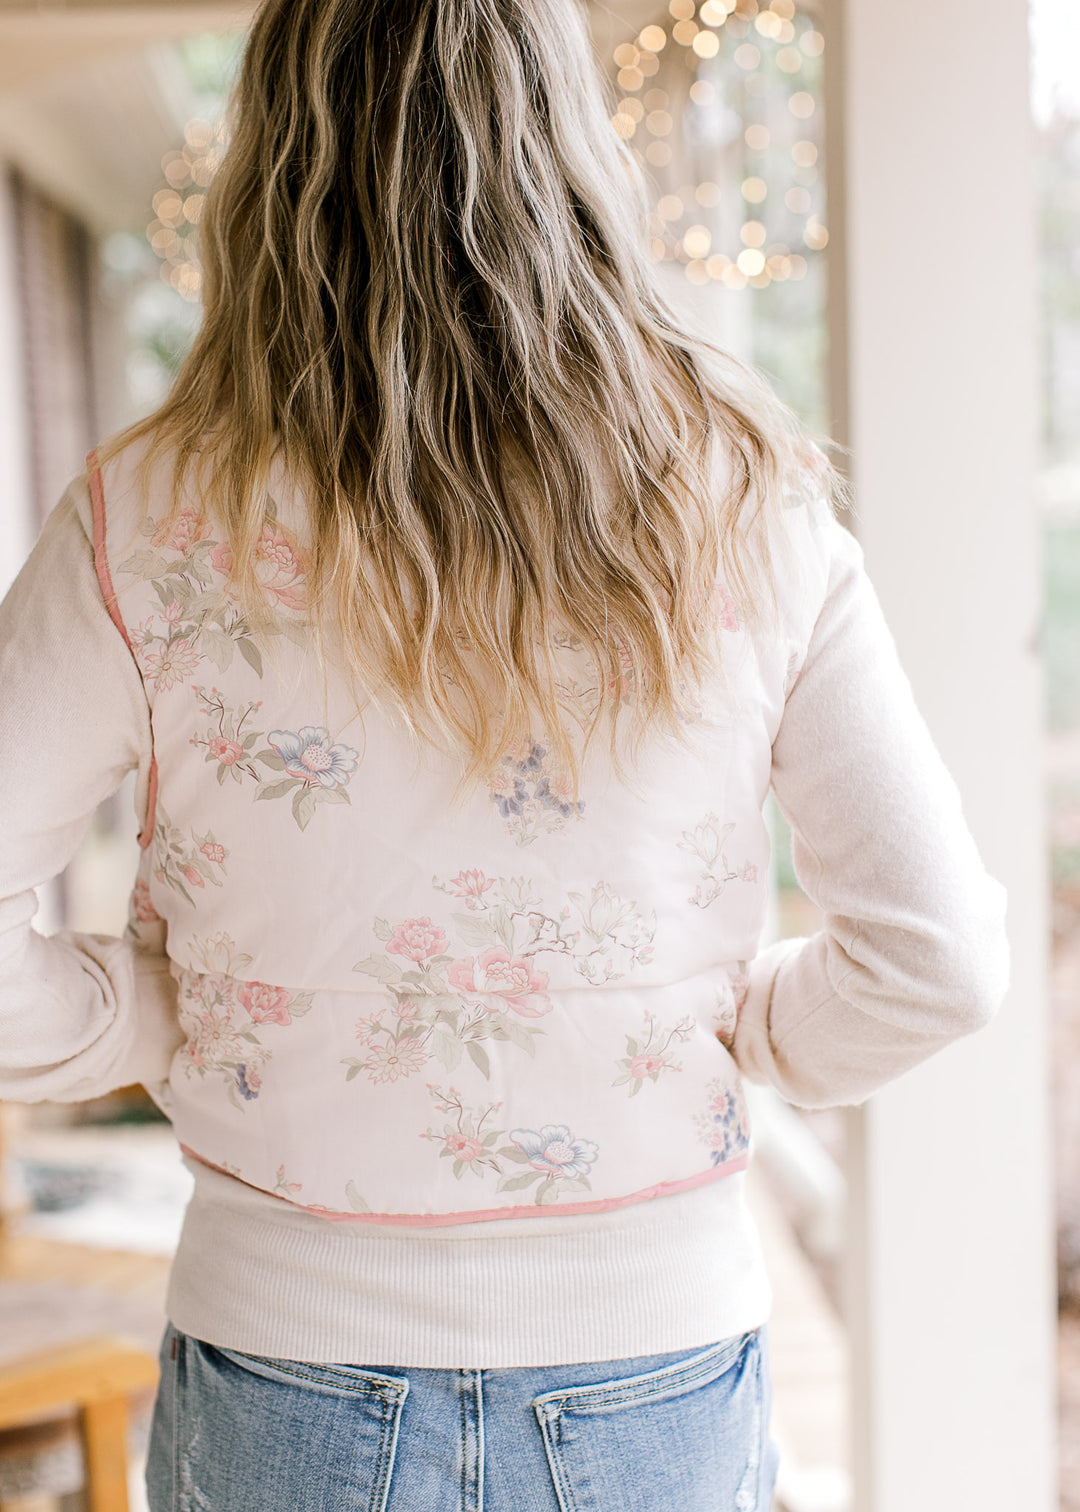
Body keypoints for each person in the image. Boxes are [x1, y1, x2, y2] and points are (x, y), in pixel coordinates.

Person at [0, 0, 1009, 1507]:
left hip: (284, 1366)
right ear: (575, 148)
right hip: (656, 1362)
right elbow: (938, 959)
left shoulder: (146, 516)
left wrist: (157, 1020)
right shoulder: (745, 498)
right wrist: (736, 1031)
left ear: (275, 158)